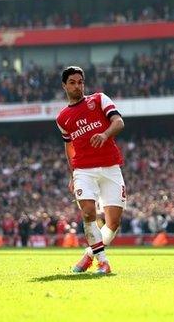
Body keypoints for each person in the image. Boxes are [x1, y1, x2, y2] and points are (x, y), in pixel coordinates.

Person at [56, 66, 126, 274]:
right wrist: (72, 174)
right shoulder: (62, 118)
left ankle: (89, 255)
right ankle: (103, 262)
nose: (77, 86)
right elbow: (69, 146)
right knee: (88, 213)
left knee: (113, 223)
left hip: (111, 167)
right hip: (83, 171)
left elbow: (119, 122)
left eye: (80, 82)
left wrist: (105, 135)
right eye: (72, 82)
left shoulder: (99, 99)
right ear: (64, 85)